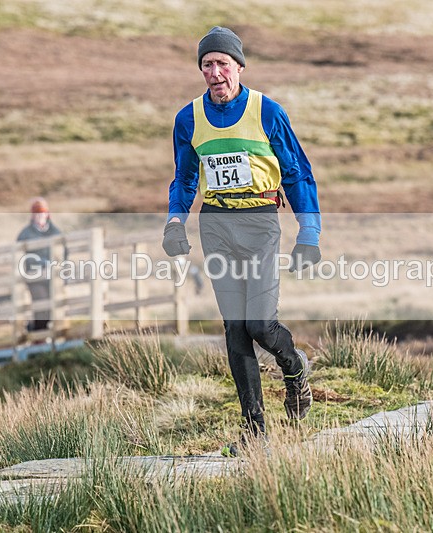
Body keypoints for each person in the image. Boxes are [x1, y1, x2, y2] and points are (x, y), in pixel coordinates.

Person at [162, 26, 322, 456]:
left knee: (260, 325)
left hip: (260, 221)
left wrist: (309, 233)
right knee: (235, 328)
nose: (215, 73)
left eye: (222, 64)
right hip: (216, 224)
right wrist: (175, 222)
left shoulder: (267, 111)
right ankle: (255, 433)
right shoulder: (188, 119)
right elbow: (184, 179)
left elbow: (297, 174)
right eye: (206, 65)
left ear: (239, 67)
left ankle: (294, 366)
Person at [17, 197, 64, 332]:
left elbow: (64, 253)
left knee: (54, 303)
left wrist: (62, 272)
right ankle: (39, 334)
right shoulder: (25, 234)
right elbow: (22, 257)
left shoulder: (55, 232)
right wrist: (43, 264)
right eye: (36, 213)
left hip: (53, 276)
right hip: (34, 277)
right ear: (32, 215)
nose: (40, 216)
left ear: (47, 214)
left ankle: (47, 332)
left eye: (42, 212)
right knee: (41, 303)